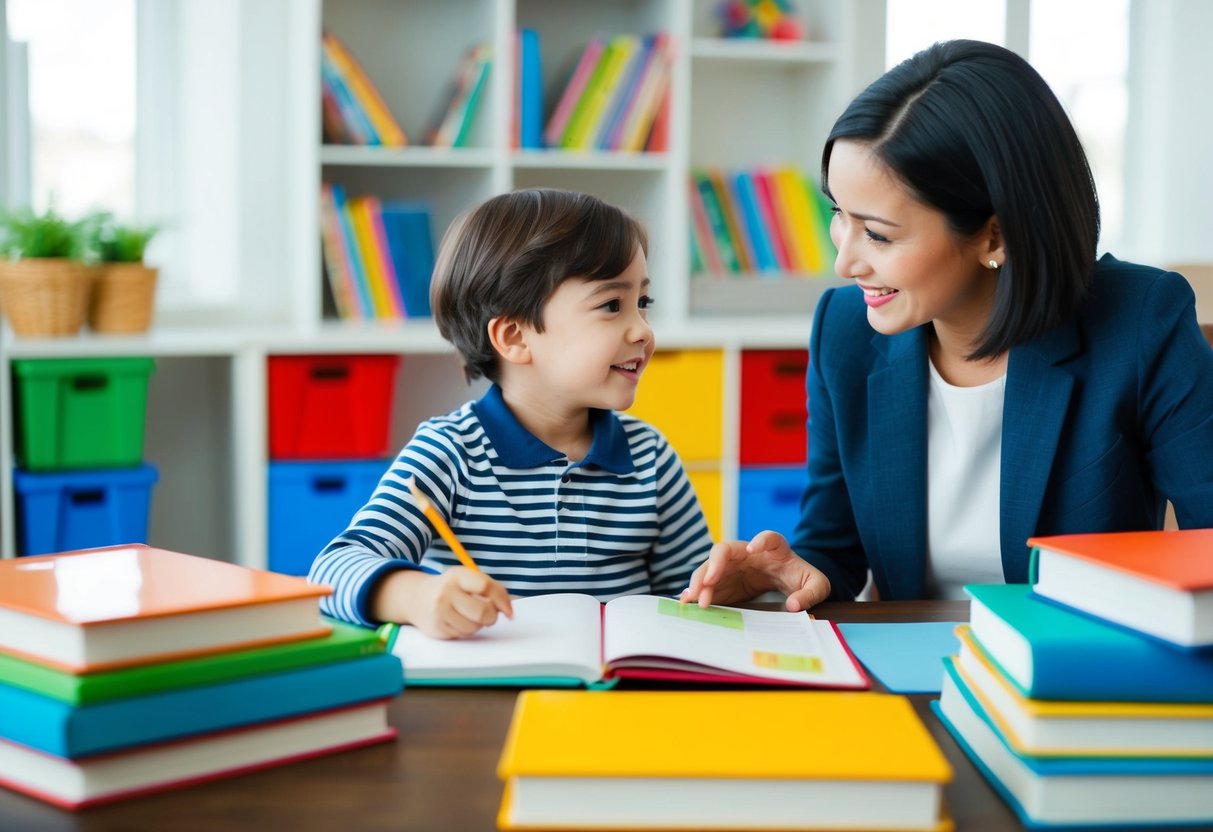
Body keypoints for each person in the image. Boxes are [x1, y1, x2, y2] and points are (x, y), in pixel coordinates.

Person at [682, 39, 1213, 611]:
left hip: (1077, 675)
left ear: (994, 235)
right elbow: (834, 544)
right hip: (910, 671)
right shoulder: (845, 331)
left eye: (879, 234)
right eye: (839, 214)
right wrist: (788, 574)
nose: (844, 262)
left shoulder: (1140, 321)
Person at [309, 189, 714, 638]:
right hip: (488, 699)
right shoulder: (449, 453)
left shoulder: (651, 458)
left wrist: (724, 582)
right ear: (515, 337)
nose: (642, 329)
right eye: (611, 306)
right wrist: (416, 596)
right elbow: (330, 573)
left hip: (620, 696)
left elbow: (693, 600)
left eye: (644, 303)